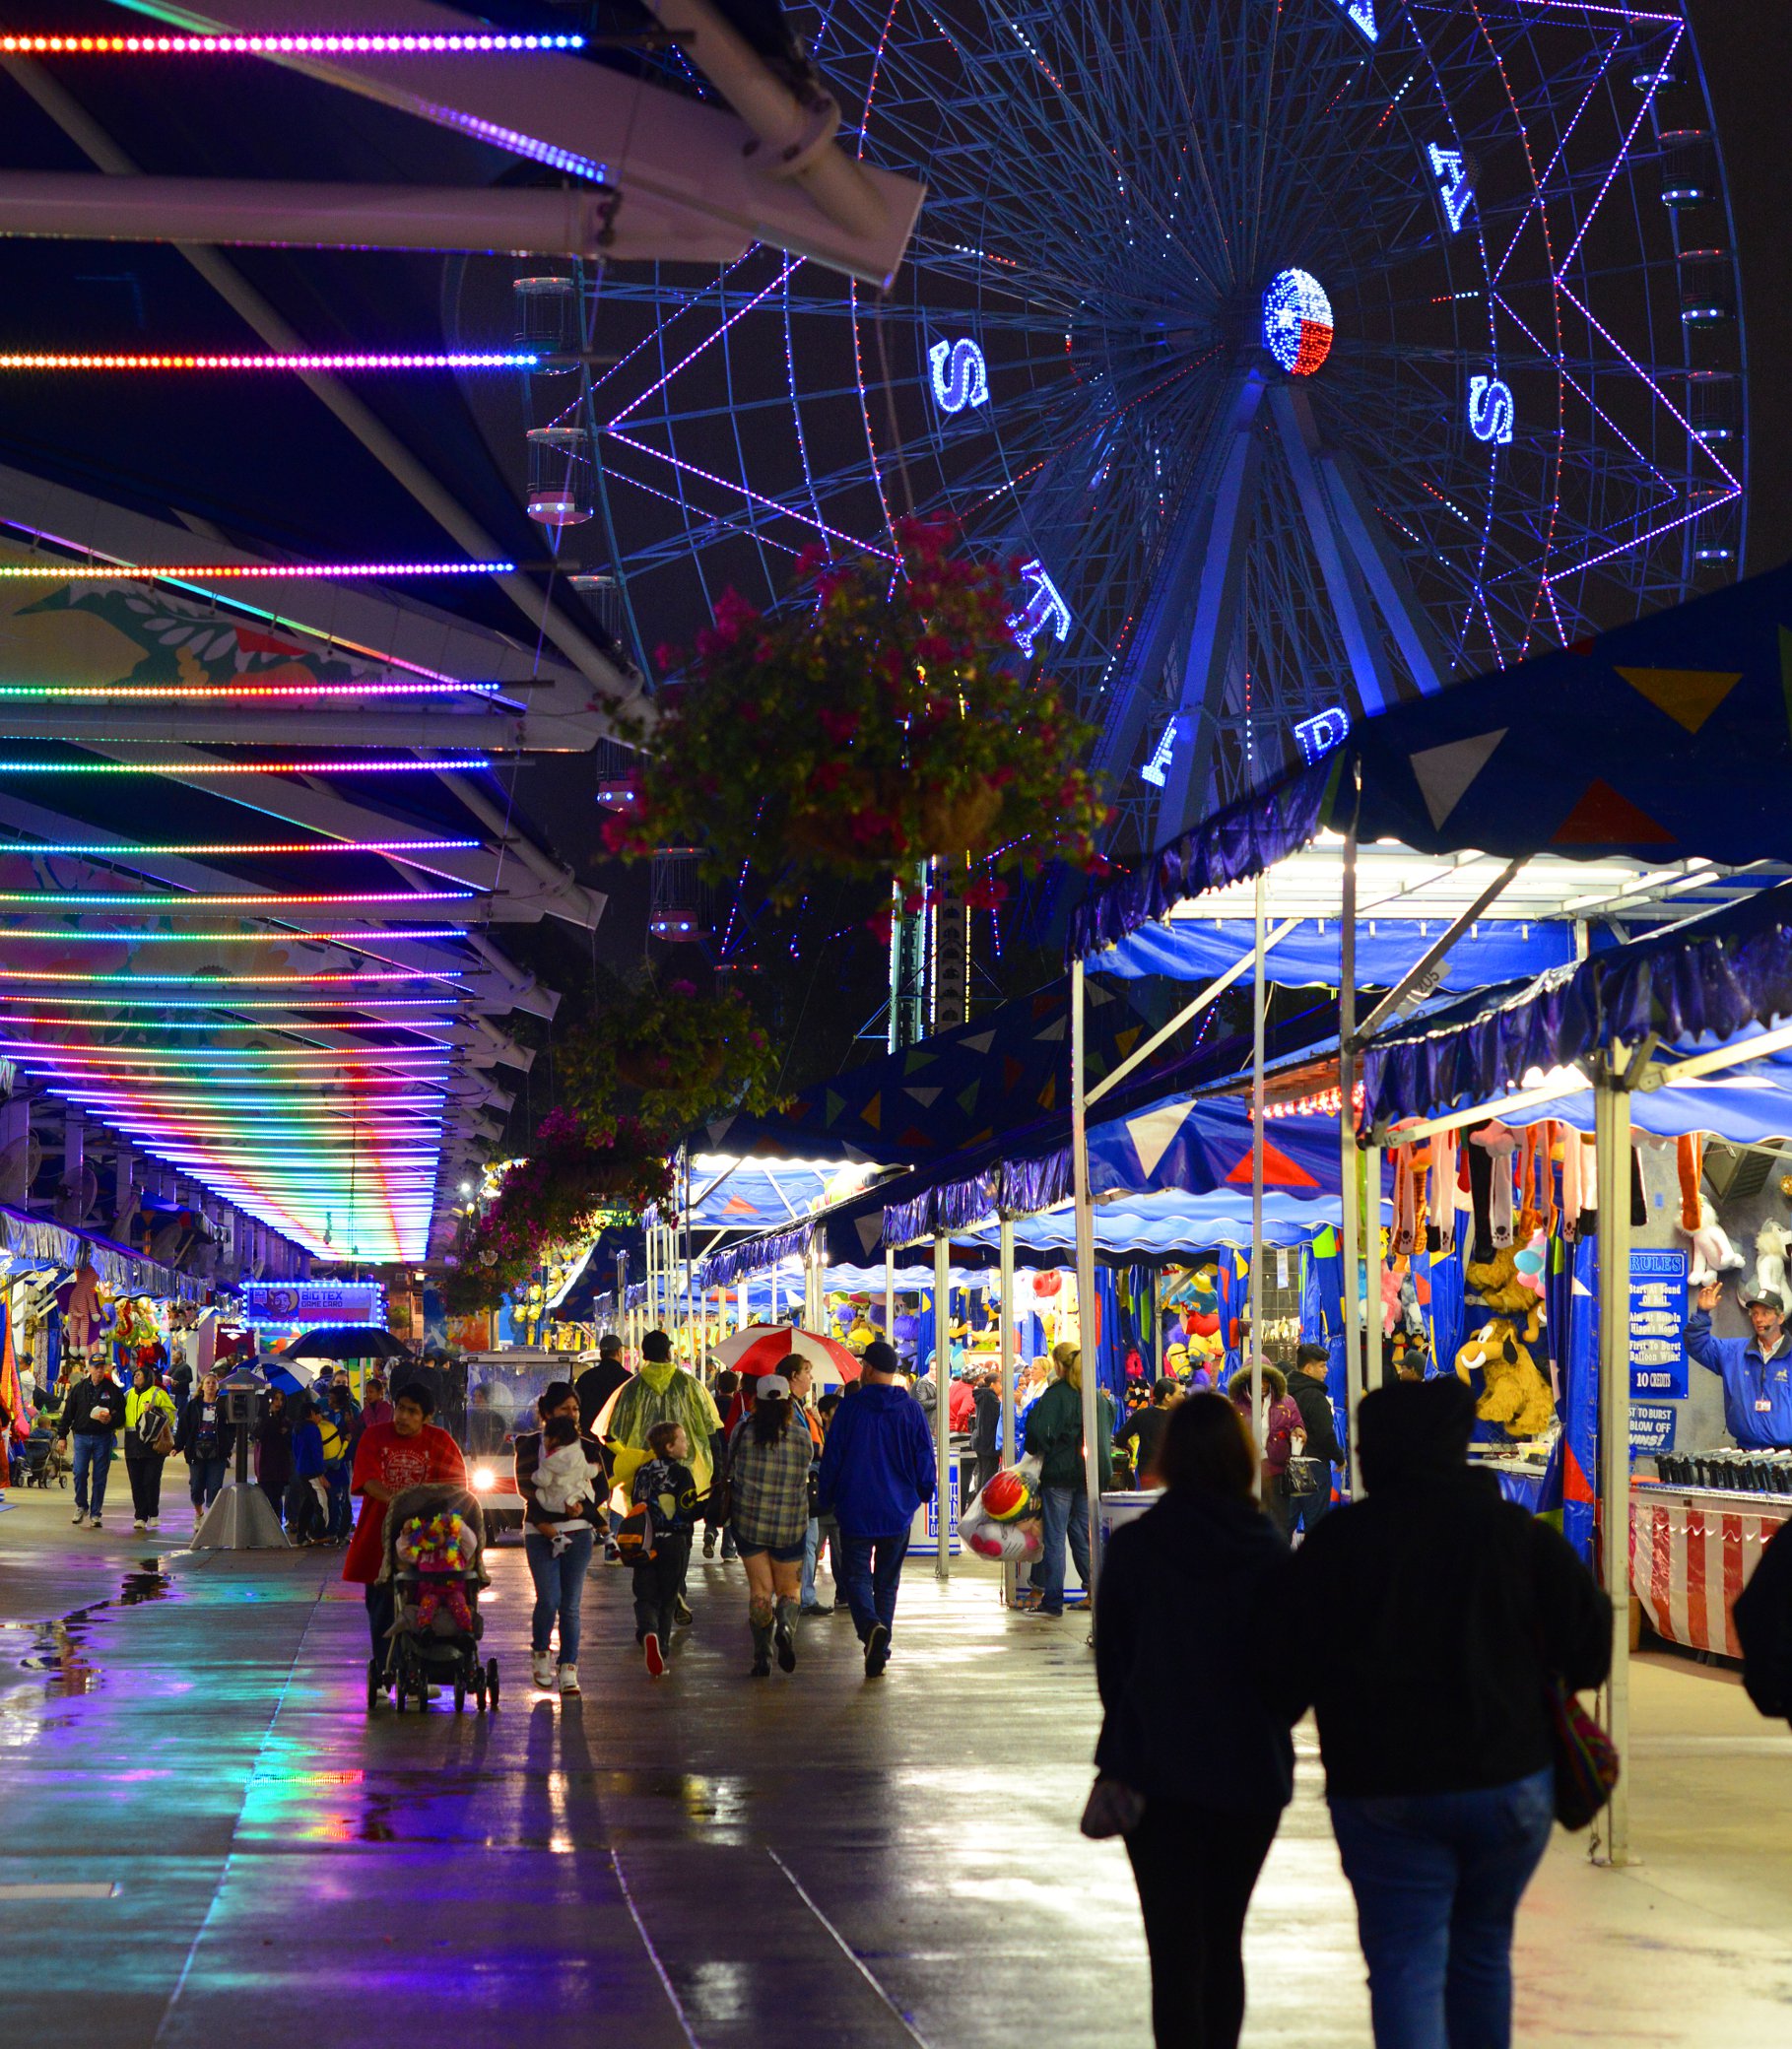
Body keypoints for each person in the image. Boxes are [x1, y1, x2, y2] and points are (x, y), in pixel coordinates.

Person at [1267, 1378, 1610, 2049]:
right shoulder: (1518, 1537)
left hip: (1383, 1788)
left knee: (1404, 1965)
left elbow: (1281, 1674)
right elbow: (1591, 1654)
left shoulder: (1339, 1544)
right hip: (1508, 1780)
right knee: (1481, 1955)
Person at [1095, 1393, 1295, 2049]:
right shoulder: (1269, 1553)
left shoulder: (1134, 1550)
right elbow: (1291, 1677)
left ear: (1167, 1457)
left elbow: (1113, 1672)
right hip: (1248, 1776)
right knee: (1223, 1938)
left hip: (1154, 1774)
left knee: (1173, 1950)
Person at [816, 1339, 937, 1678]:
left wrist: (826, 1497)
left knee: (855, 1575)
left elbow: (833, 1458)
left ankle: (870, 1628)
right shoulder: (911, 1410)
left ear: (867, 1369)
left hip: (854, 1508)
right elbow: (924, 1457)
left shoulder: (850, 1410)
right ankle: (879, 1650)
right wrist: (923, 1492)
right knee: (887, 1583)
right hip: (897, 1510)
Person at [344, 1379, 466, 1690]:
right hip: (379, 1540)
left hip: (429, 1543)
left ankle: (419, 1671)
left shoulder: (440, 1441)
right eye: (400, 1409)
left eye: (413, 1412)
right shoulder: (374, 1436)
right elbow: (368, 1481)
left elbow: (455, 1489)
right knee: (382, 1608)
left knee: (424, 1606)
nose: (403, 1417)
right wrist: (402, 1503)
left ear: (428, 1417)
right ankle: (388, 1674)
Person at [605, 1332, 723, 1624]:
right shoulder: (690, 1385)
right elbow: (711, 1426)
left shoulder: (630, 1389)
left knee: (647, 1531)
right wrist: (717, 1467)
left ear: (643, 1354)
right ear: (670, 1352)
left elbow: (611, 1433)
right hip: (686, 1472)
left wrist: (632, 1457)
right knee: (680, 1532)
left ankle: (651, 1599)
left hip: (642, 1476)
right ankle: (676, 1588)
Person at [513, 1380, 607, 1694]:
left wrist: (581, 1506)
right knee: (549, 1598)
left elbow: (603, 1487)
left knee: (570, 1605)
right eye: (565, 1408)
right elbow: (525, 1488)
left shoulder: (589, 1447)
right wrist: (556, 1506)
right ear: (547, 1412)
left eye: (576, 1408)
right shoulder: (528, 1445)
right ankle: (541, 1652)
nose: (572, 1413)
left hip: (578, 1533)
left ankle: (569, 1668)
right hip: (539, 1533)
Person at [724, 1367, 814, 1678]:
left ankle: (761, 1656)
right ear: (788, 1404)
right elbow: (806, 1465)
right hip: (789, 1523)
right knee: (790, 1589)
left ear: (756, 1402)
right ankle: (786, 1627)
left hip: (749, 1522)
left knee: (760, 1590)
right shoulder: (801, 1436)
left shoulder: (742, 1433)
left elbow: (729, 1466)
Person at [1024, 1342, 1115, 1617]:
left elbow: (1039, 1431)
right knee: (1083, 1534)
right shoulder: (1098, 1397)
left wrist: (1045, 1447)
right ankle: (1094, 1591)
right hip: (1091, 1474)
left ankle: (1052, 1601)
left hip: (1060, 1475)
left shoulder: (1057, 1394)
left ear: (1059, 1366)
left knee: (1053, 1538)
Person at [1685, 1279, 1792, 1448]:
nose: (1759, 1319)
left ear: (1780, 1318)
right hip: (1746, 1454)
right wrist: (1702, 1313)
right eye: (1755, 1314)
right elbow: (1697, 1345)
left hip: (1787, 1458)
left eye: (1765, 1313)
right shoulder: (1733, 1352)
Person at [631, 1419, 699, 1677]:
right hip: (673, 1542)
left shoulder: (643, 1471)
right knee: (669, 1596)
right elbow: (687, 1509)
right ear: (670, 1447)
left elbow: (636, 1502)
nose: (686, 1444)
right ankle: (661, 1644)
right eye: (682, 1440)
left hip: (645, 1540)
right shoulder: (682, 1473)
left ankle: (647, 1630)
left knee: (646, 1593)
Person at [1227, 1363, 1304, 1540]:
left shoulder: (1287, 1402)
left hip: (1278, 1471)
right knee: (1248, 1521)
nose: (1261, 1384)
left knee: (1280, 1522)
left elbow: (1298, 1424)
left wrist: (1299, 1430)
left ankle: (1280, 1562)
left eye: (1265, 1379)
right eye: (1256, 1379)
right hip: (1247, 1472)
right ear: (1246, 1380)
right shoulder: (1235, 1405)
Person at [788, 1359, 833, 1616]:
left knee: (810, 1542)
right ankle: (799, 1597)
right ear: (794, 1376)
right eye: (806, 1371)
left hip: (805, 1483)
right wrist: (818, 1448)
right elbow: (801, 1445)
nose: (810, 1376)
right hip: (798, 1484)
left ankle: (803, 1595)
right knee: (806, 1542)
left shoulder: (800, 1409)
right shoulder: (789, 1410)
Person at [1286, 1343, 1344, 1535]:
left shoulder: (1285, 1394)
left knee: (1288, 1523)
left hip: (1293, 1464)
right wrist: (1339, 1457)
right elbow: (1325, 1434)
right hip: (1314, 1466)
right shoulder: (1315, 1396)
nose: (1326, 1370)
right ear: (1308, 1368)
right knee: (1316, 1526)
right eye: (1322, 1365)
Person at [56, 1355, 120, 1530]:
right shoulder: (79, 1389)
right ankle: (81, 1506)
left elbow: (121, 1414)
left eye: (102, 1367)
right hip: (82, 1437)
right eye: (96, 1367)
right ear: (89, 1368)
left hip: (103, 1437)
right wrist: (62, 1436)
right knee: (79, 1472)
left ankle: (96, 1513)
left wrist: (111, 1419)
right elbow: (68, 1414)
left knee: (100, 1477)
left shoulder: (112, 1390)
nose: (99, 1371)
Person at [122, 1360, 177, 1532]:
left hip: (153, 1444)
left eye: (138, 1375)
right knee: (136, 1482)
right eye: (134, 1375)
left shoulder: (158, 1393)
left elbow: (171, 1415)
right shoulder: (127, 1394)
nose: (135, 1377)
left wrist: (156, 1409)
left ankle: (153, 1513)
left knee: (151, 1480)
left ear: (147, 1378)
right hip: (132, 1443)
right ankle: (140, 1516)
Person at [532, 1414, 600, 1553]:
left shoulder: (549, 1460)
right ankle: (608, 1535)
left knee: (538, 1519)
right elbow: (588, 1472)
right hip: (577, 1498)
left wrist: (534, 1477)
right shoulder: (578, 1455)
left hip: (556, 1502)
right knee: (595, 1515)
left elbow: (543, 1481)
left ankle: (558, 1539)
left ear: (553, 1439)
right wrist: (596, 1468)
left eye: (545, 1437)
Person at [174, 1369, 229, 1517]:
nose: (210, 1385)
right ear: (202, 1386)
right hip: (196, 1450)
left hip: (217, 1451)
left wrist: (228, 1444)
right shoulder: (193, 1405)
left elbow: (231, 1428)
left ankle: (211, 1516)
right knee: (196, 1485)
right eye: (207, 1383)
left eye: (213, 1383)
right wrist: (177, 1446)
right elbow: (184, 1427)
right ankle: (198, 1514)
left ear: (218, 1386)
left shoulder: (223, 1405)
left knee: (215, 1485)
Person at [702, 1367, 742, 1559]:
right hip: (733, 1457)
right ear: (735, 1387)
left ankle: (710, 1530)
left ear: (717, 1386)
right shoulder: (738, 1406)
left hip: (713, 1456)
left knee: (715, 1494)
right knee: (731, 1498)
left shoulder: (711, 1405)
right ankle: (728, 1548)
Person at [1115, 1375, 1180, 1487]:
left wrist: (1129, 1448)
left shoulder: (1141, 1415)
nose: (1182, 1397)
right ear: (1168, 1397)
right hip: (1171, 1472)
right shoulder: (1178, 1417)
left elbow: (1120, 1438)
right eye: (1179, 1393)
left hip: (1147, 1472)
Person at [285, 1395, 326, 1544]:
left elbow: (295, 1451)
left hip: (301, 1469)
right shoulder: (312, 1430)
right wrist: (321, 1473)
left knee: (308, 1502)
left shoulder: (297, 1429)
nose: (320, 1417)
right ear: (312, 1414)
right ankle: (320, 1533)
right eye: (319, 1413)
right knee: (321, 1503)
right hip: (312, 1472)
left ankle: (302, 1535)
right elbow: (317, 1452)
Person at [574, 1332, 631, 1434]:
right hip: (618, 1440)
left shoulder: (586, 1377)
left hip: (590, 1437)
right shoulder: (628, 1379)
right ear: (619, 1352)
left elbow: (577, 1406)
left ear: (601, 1354)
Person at [253, 1386, 292, 1528]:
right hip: (266, 1463)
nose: (278, 1403)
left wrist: (285, 1432)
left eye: (281, 1399)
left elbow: (289, 1441)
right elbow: (258, 1435)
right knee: (268, 1495)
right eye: (275, 1399)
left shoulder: (285, 1420)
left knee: (276, 1496)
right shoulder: (263, 1418)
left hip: (280, 1463)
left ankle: (276, 1524)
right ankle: (269, 1525)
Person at [969, 1369, 1001, 1498]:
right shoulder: (990, 1398)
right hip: (989, 1443)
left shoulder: (982, 1396)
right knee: (988, 1476)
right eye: (1000, 1383)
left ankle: (979, 1503)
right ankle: (983, 1504)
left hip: (980, 1441)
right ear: (993, 1384)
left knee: (983, 1474)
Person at [466, 1383, 508, 1458]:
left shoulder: (497, 1419)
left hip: (493, 1459)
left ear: (487, 1398)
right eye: (474, 1396)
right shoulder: (469, 1418)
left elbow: (501, 1441)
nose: (476, 1400)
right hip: (473, 1458)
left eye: (480, 1396)